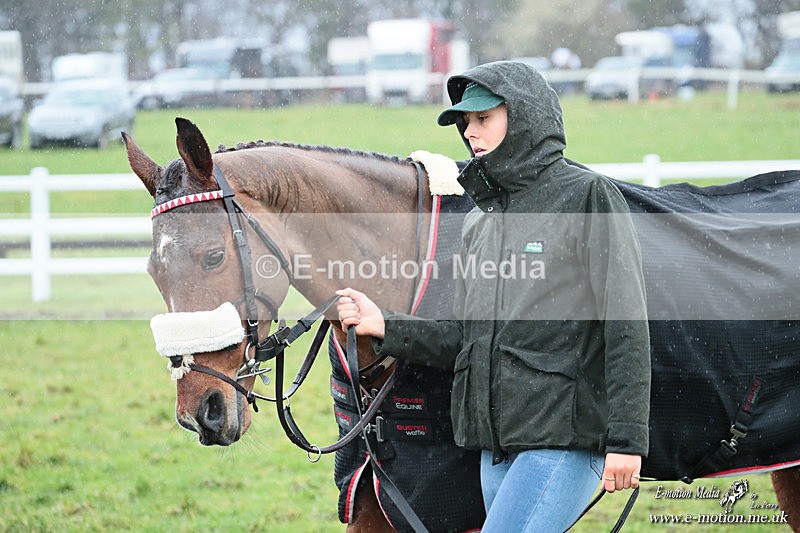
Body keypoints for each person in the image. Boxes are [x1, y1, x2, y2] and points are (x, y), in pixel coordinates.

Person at [337, 60, 651, 532]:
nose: (470, 133)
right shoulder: (480, 221)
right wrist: (386, 325)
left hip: (563, 442)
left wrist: (627, 440)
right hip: (495, 449)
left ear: (523, 116)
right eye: (466, 123)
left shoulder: (587, 196)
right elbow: (465, 338)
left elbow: (625, 324)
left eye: (483, 118)